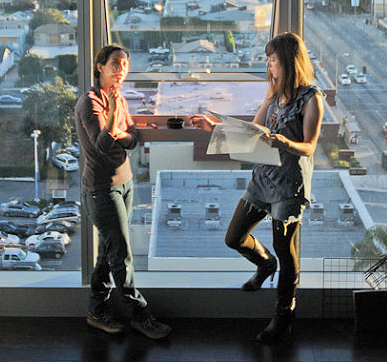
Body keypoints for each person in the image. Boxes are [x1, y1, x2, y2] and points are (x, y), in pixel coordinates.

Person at [190, 32, 323, 342]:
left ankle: (283, 316)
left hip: (288, 184)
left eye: (273, 60)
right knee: (234, 237)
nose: (269, 65)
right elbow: (251, 131)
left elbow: (310, 147)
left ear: (288, 63)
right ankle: (265, 265)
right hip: (263, 178)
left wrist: (285, 141)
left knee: (285, 249)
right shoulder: (274, 94)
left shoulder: (311, 98)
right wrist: (214, 127)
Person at [75, 44, 171, 339]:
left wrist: (119, 131)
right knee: (121, 254)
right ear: (100, 66)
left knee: (108, 250)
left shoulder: (120, 99)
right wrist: (115, 123)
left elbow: (133, 138)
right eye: (116, 64)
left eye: (126, 65)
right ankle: (140, 315)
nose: (122, 70)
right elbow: (103, 146)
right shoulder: (90, 103)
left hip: (125, 183)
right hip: (102, 189)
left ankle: (97, 310)